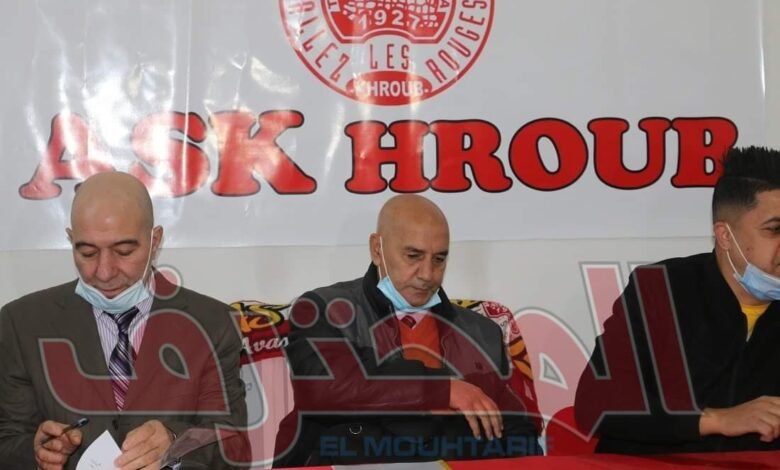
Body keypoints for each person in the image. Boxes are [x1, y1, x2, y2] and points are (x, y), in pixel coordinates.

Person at [0, 172, 247, 469]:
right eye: (87, 252)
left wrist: (175, 439)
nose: (104, 272)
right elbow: (7, 440)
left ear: (155, 241)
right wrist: (37, 453)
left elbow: (233, 445)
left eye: (124, 251)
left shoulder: (212, 324)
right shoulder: (22, 324)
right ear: (71, 240)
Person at [274, 194, 540, 466]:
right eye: (413, 256)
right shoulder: (323, 310)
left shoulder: (481, 332)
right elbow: (326, 389)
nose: (427, 274)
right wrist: (444, 389)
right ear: (377, 249)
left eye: (439, 259)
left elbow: (518, 431)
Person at [575, 146, 780, 454]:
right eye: (775, 230)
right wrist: (717, 420)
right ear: (725, 236)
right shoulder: (661, 288)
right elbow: (597, 405)